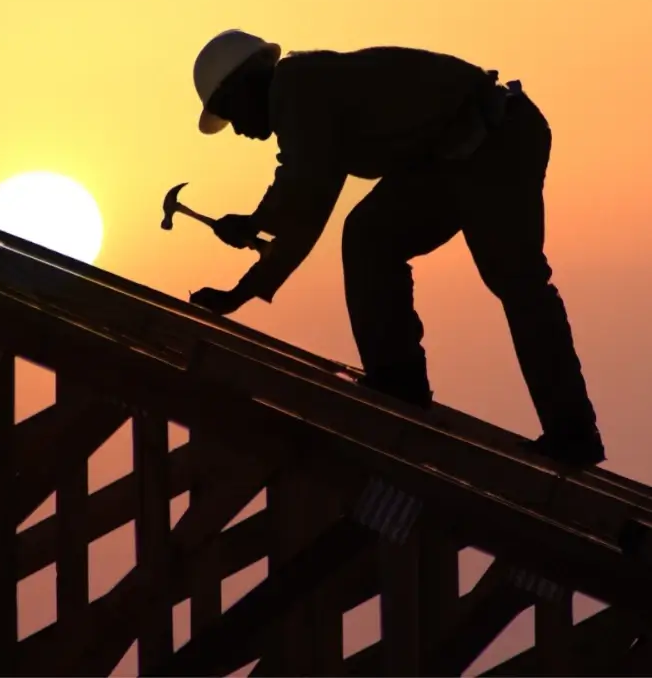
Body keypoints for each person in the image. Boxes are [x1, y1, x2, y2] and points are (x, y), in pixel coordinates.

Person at [187, 29, 605, 468]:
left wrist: (247, 271)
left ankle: (573, 432)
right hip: (449, 158)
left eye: (230, 113)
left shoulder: (296, 89)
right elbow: (303, 196)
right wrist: (253, 248)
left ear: (244, 86)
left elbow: (306, 195)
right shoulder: (303, 92)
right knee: (370, 236)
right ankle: (400, 385)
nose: (236, 129)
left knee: (517, 279)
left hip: (495, 140)